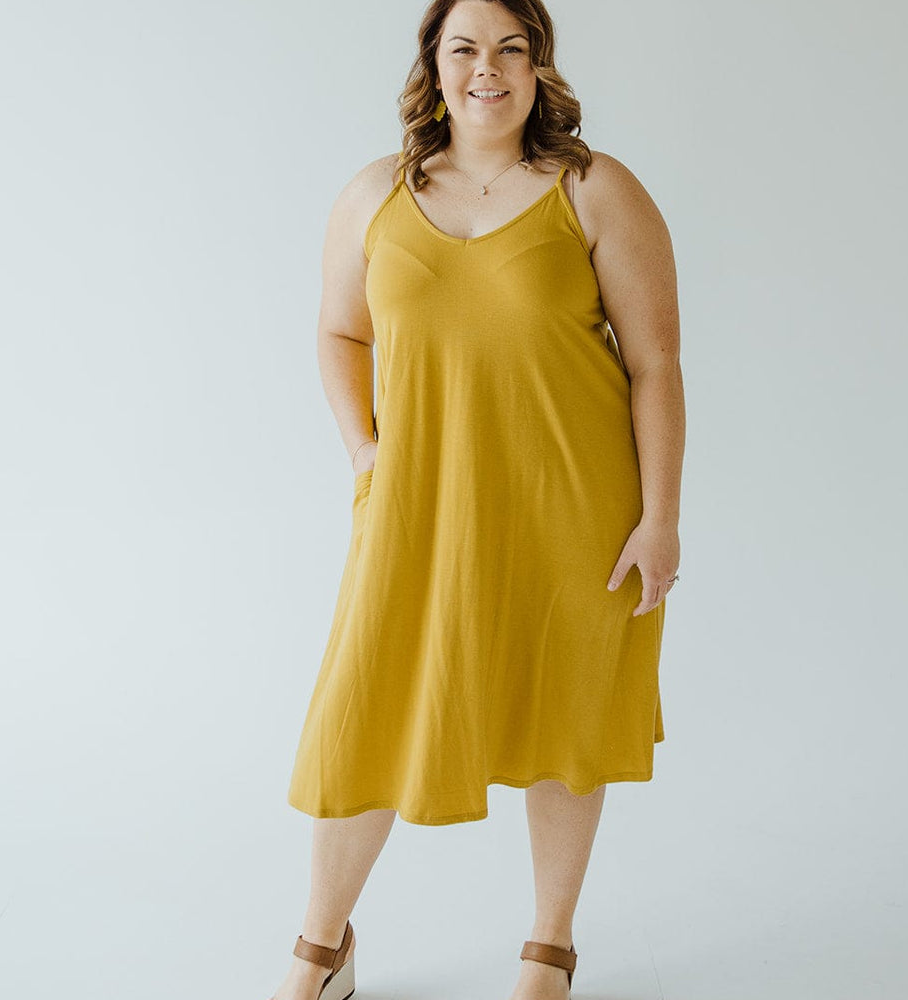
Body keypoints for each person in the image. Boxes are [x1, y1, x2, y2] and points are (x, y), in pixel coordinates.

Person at [269, 1, 685, 998]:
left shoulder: (593, 190)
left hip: (574, 507)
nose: (485, 70)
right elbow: (339, 333)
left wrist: (659, 517)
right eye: (464, 48)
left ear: (540, 65)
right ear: (434, 63)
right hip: (418, 507)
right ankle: (322, 946)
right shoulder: (375, 192)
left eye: (510, 48)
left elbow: (656, 361)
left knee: (564, 714)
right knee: (365, 708)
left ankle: (549, 948)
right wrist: (366, 446)